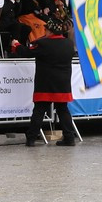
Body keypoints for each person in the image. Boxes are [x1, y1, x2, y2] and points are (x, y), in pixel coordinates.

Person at [14, 18, 77, 147]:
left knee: (39, 111)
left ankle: (31, 139)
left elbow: (27, 52)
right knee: (63, 110)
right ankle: (69, 138)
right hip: (62, 83)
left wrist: (16, 45)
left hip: (45, 83)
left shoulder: (43, 43)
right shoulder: (68, 44)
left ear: (49, 30)